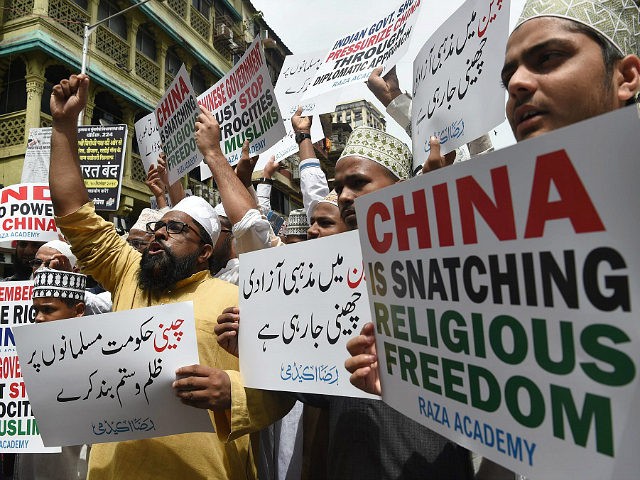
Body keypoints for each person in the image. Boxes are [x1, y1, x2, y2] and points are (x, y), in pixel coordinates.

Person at [47, 73, 281, 480]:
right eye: (159, 226)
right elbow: (74, 212)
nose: (159, 233)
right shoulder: (127, 276)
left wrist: (233, 393)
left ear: (206, 251)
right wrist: (65, 128)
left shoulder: (238, 295)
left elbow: (287, 384)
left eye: (176, 229)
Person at [13, 268, 90, 480]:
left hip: (72, 468)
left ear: (79, 310)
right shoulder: (26, 353)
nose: (38, 318)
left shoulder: (94, 360)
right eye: (35, 310)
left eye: (48, 310)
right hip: (31, 464)